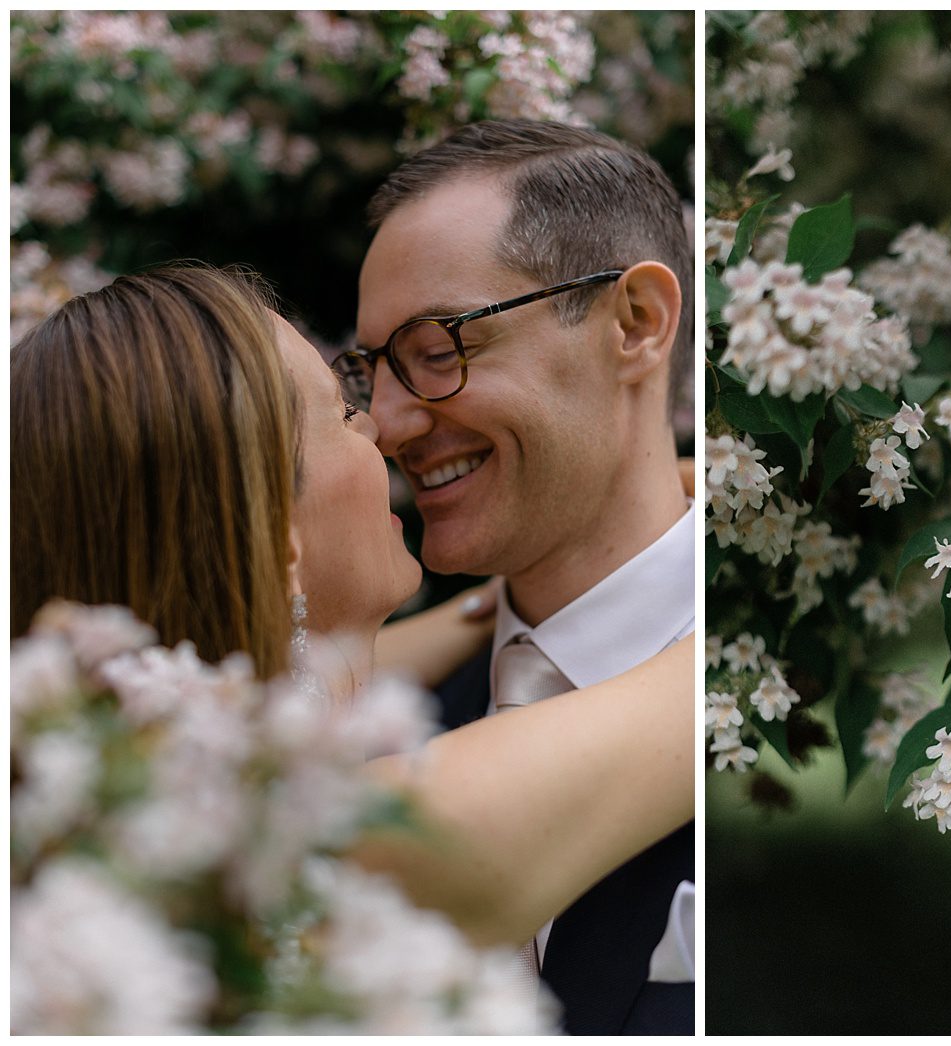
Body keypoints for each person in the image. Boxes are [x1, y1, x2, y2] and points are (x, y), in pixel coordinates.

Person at [9, 263, 693, 955]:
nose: (380, 429)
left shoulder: (135, 786)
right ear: (277, 538)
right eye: (341, 412)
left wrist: (506, 599)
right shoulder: (332, 837)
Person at [348, 119, 694, 1035]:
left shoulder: (795, 701)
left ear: (636, 325)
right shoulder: (378, 729)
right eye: (374, 368)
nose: (386, 423)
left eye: (437, 349)